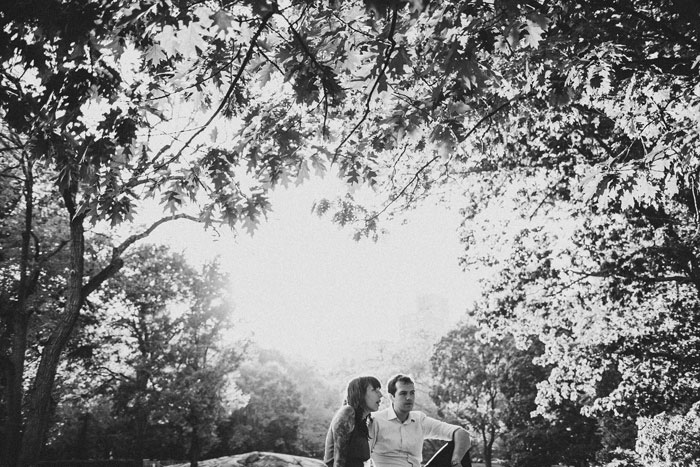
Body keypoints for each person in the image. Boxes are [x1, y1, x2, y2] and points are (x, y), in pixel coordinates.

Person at [370, 374, 471, 467]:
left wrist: (456, 461)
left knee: (459, 445)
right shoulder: (376, 421)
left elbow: (462, 434)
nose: (409, 398)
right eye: (403, 393)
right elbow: (362, 456)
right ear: (392, 397)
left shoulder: (419, 419)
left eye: (412, 393)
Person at [324, 376, 383, 467]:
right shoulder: (347, 413)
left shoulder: (362, 422)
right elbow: (338, 462)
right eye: (375, 390)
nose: (380, 395)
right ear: (360, 394)